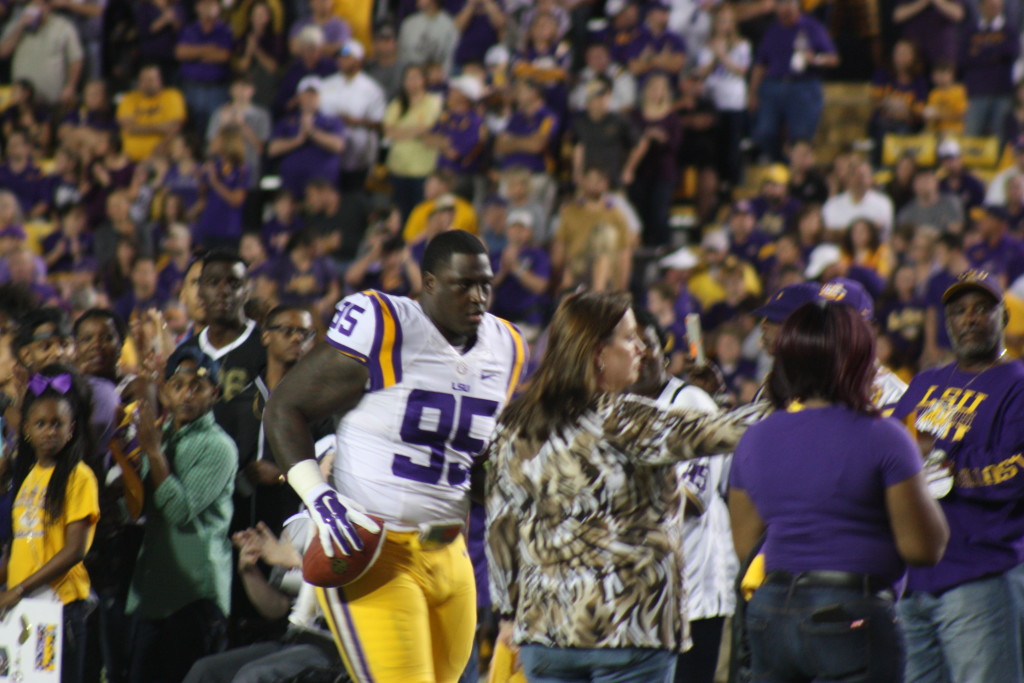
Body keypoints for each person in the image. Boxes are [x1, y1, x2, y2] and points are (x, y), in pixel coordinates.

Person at [265, 230, 528, 683]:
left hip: (450, 552)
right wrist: (320, 500)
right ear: (427, 284)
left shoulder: (507, 345)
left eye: (485, 284)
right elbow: (285, 407)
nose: (478, 297)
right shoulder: (386, 324)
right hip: (374, 551)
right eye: (462, 284)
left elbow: (478, 464)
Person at [487, 292, 763, 683]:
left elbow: (501, 529)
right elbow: (727, 430)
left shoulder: (514, 425)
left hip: (545, 635)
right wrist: (796, 394)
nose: (642, 350)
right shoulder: (625, 420)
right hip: (627, 631)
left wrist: (508, 615)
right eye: (629, 338)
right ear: (598, 352)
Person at [729, 301, 949, 683]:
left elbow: (745, 544)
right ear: (860, 359)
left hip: (770, 612)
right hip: (850, 612)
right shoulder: (884, 436)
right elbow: (923, 548)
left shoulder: (755, 437)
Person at [891, 269, 1024, 683]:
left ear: (1003, 318)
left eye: (983, 309)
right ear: (947, 322)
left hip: (982, 576)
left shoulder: (1017, 383)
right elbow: (891, 453)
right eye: (960, 311)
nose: (970, 319)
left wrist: (941, 462)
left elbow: (1013, 474)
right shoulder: (926, 381)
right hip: (910, 581)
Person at [629, 310, 736, 683]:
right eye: (630, 343)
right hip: (640, 596)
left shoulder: (691, 403)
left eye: (648, 344)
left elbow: (691, 499)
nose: (639, 353)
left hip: (692, 593)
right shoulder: (616, 407)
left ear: (665, 350)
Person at [127, 346, 238, 683]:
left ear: (214, 393)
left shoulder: (219, 446)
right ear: (165, 392)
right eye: (178, 385)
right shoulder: (160, 435)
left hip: (195, 595)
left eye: (198, 386)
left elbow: (179, 510)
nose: (187, 394)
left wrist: (154, 454)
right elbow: (140, 507)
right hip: (154, 590)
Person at [0, 365, 99, 683]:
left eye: (58, 424)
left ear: (71, 429)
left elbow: (74, 550)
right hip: (27, 606)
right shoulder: (29, 477)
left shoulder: (78, 475)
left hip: (60, 606)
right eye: (41, 424)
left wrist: (17, 589)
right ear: (26, 429)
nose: (50, 431)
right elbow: (23, 546)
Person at [748, 0, 837, 162]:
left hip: (804, 85)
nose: (786, 7)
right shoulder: (772, 30)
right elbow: (760, 65)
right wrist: (752, 93)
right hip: (774, 84)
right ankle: (780, 164)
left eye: (790, 2)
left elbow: (833, 58)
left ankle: (795, 169)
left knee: (800, 137)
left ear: (797, 5)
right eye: (781, 3)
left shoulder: (812, 27)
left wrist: (815, 59)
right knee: (765, 132)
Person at [0, 0, 83, 106]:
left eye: (39, 6)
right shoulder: (19, 25)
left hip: (53, 100)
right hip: (22, 101)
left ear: (48, 7)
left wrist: (70, 86)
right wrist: (21, 26)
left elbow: (76, 59)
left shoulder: (63, 26)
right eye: (32, 6)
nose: (36, 10)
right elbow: (3, 52)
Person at [116, 64, 187, 163]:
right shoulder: (129, 99)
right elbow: (129, 128)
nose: (148, 83)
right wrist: (162, 127)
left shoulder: (172, 96)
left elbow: (176, 126)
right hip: (130, 158)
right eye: (144, 79)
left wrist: (139, 128)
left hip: (162, 157)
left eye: (151, 79)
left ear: (160, 80)